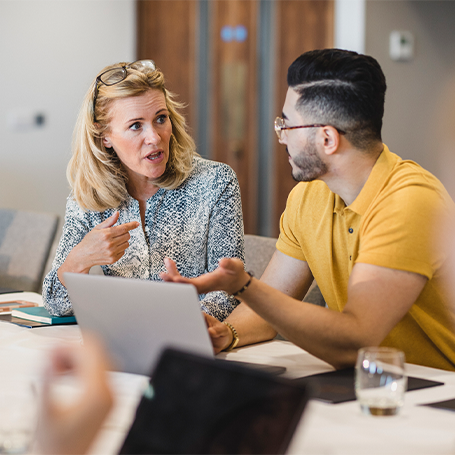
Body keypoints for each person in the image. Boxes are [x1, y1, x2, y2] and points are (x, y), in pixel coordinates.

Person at [162, 48, 455, 371]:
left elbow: (355, 343)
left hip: (437, 392)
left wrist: (243, 285)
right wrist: (226, 333)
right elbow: (272, 306)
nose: (282, 138)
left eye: (287, 126)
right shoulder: (309, 196)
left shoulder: (409, 201)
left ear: (327, 139)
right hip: (368, 381)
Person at [43, 60, 244, 320]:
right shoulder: (90, 196)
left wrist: (187, 326)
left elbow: (230, 287)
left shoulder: (215, 181)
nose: (154, 137)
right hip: (121, 342)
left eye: (160, 119)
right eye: (136, 125)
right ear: (105, 137)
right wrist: (80, 260)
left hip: (197, 342)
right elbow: (56, 303)